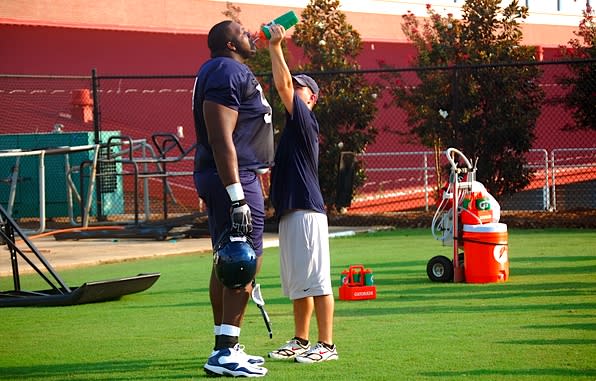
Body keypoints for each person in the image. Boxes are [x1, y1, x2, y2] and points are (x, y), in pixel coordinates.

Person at [192, 20, 273, 377]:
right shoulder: (225, 69)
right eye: (241, 32)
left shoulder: (227, 69)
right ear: (229, 42)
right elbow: (221, 136)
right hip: (232, 179)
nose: (249, 34)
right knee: (241, 259)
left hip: (238, 176)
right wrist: (237, 194)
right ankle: (225, 352)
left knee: (227, 258)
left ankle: (225, 344)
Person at [266, 24, 338, 364]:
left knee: (318, 281)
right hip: (292, 212)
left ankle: (327, 345)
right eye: (295, 86)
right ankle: (301, 339)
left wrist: (275, 46)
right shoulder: (293, 128)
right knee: (299, 283)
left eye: (301, 88)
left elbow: (280, 84)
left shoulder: (306, 119)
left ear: (312, 98)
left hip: (308, 211)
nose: (294, 90)